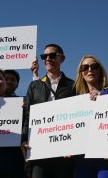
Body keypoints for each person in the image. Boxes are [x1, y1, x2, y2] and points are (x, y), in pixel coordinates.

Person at [23, 43, 75, 177]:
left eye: (52, 55)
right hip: (40, 149)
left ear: (62, 58)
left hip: (64, 149)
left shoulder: (73, 85)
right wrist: (24, 140)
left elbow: (77, 116)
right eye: (44, 56)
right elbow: (28, 114)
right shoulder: (35, 85)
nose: (47, 59)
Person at [73, 55, 108, 178]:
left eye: (94, 67)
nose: (90, 70)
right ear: (81, 73)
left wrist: (103, 98)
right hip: (83, 158)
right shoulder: (76, 100)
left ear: (100, 70)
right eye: (85, 67)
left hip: (106, 157)